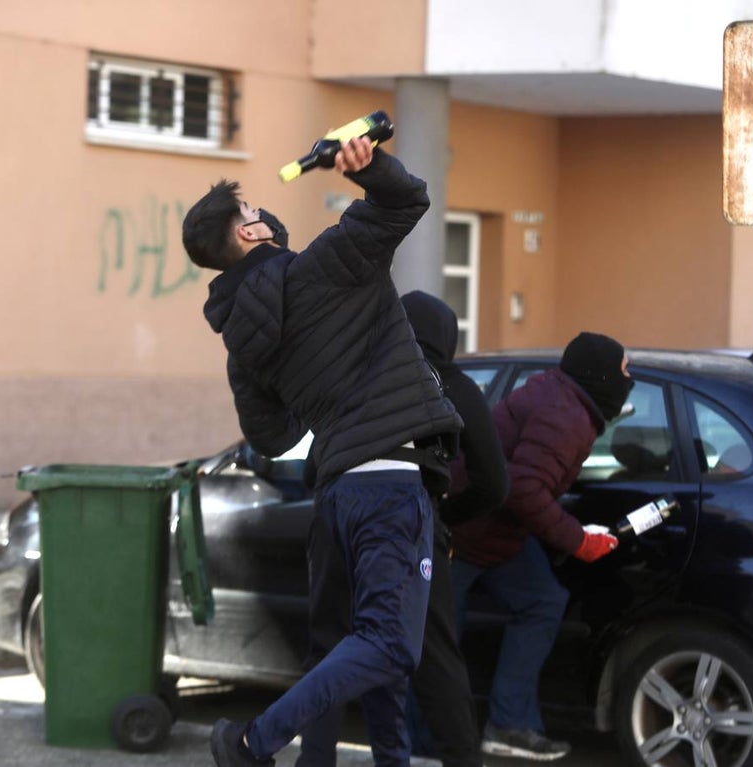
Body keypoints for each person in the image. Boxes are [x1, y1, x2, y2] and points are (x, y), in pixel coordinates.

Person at [183, 136, 463, 767]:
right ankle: (252, 741)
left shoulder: (241, 344)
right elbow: (407, 201)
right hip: (392, 481)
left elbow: (272, 437)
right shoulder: (327, 265)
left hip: (340, 494)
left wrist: (314, 390)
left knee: (370, 647)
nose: (264, 213)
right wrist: (369, 166)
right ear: (250, 233)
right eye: (252, 210)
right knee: (390, 645)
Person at [296, 290, 508, 767]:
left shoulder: (353, 378)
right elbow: (494, 483)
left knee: (328, 649)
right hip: (409, 529)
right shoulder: (451, 385)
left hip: (336, 522)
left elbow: (312, 470)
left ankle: (314, 760)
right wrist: (444, 519)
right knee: (434, 656)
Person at [449, 331, 634, 761]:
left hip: (497, 533)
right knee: (435, 641)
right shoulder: (564, 415)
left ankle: (509, 725)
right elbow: (524, 489)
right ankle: (422, 747)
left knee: (543, 601)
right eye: (624, 371)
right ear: (600, 376)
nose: (629, 380)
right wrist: (579, 540)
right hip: (458, 532)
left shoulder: (566, 400)